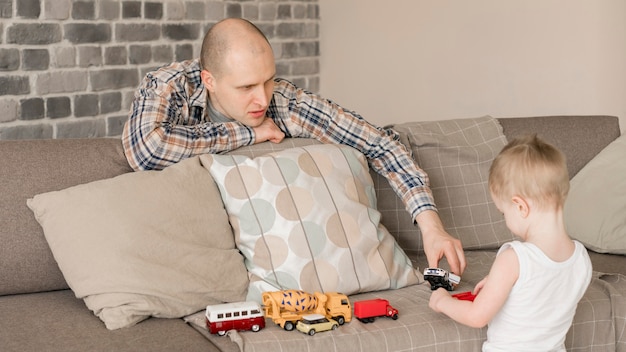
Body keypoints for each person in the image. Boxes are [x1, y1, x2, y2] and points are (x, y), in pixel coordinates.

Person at [122, 18, 466, 276]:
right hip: (186, 249)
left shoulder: (284, 101)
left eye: (268, 79)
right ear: (209, 80)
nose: (262, 98)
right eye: (246, 87)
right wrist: (246, 133)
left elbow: (380, 145)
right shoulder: (170, 85)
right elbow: (146, 150)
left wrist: (432, 227)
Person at [428, 134, 592, 351]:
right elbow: (545, 290)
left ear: (520, 207)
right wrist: (507, 283)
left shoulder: (513, 259)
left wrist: (442, 301)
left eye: (502, 212)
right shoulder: (581, 259)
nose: (505, 219)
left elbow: (477, 316)